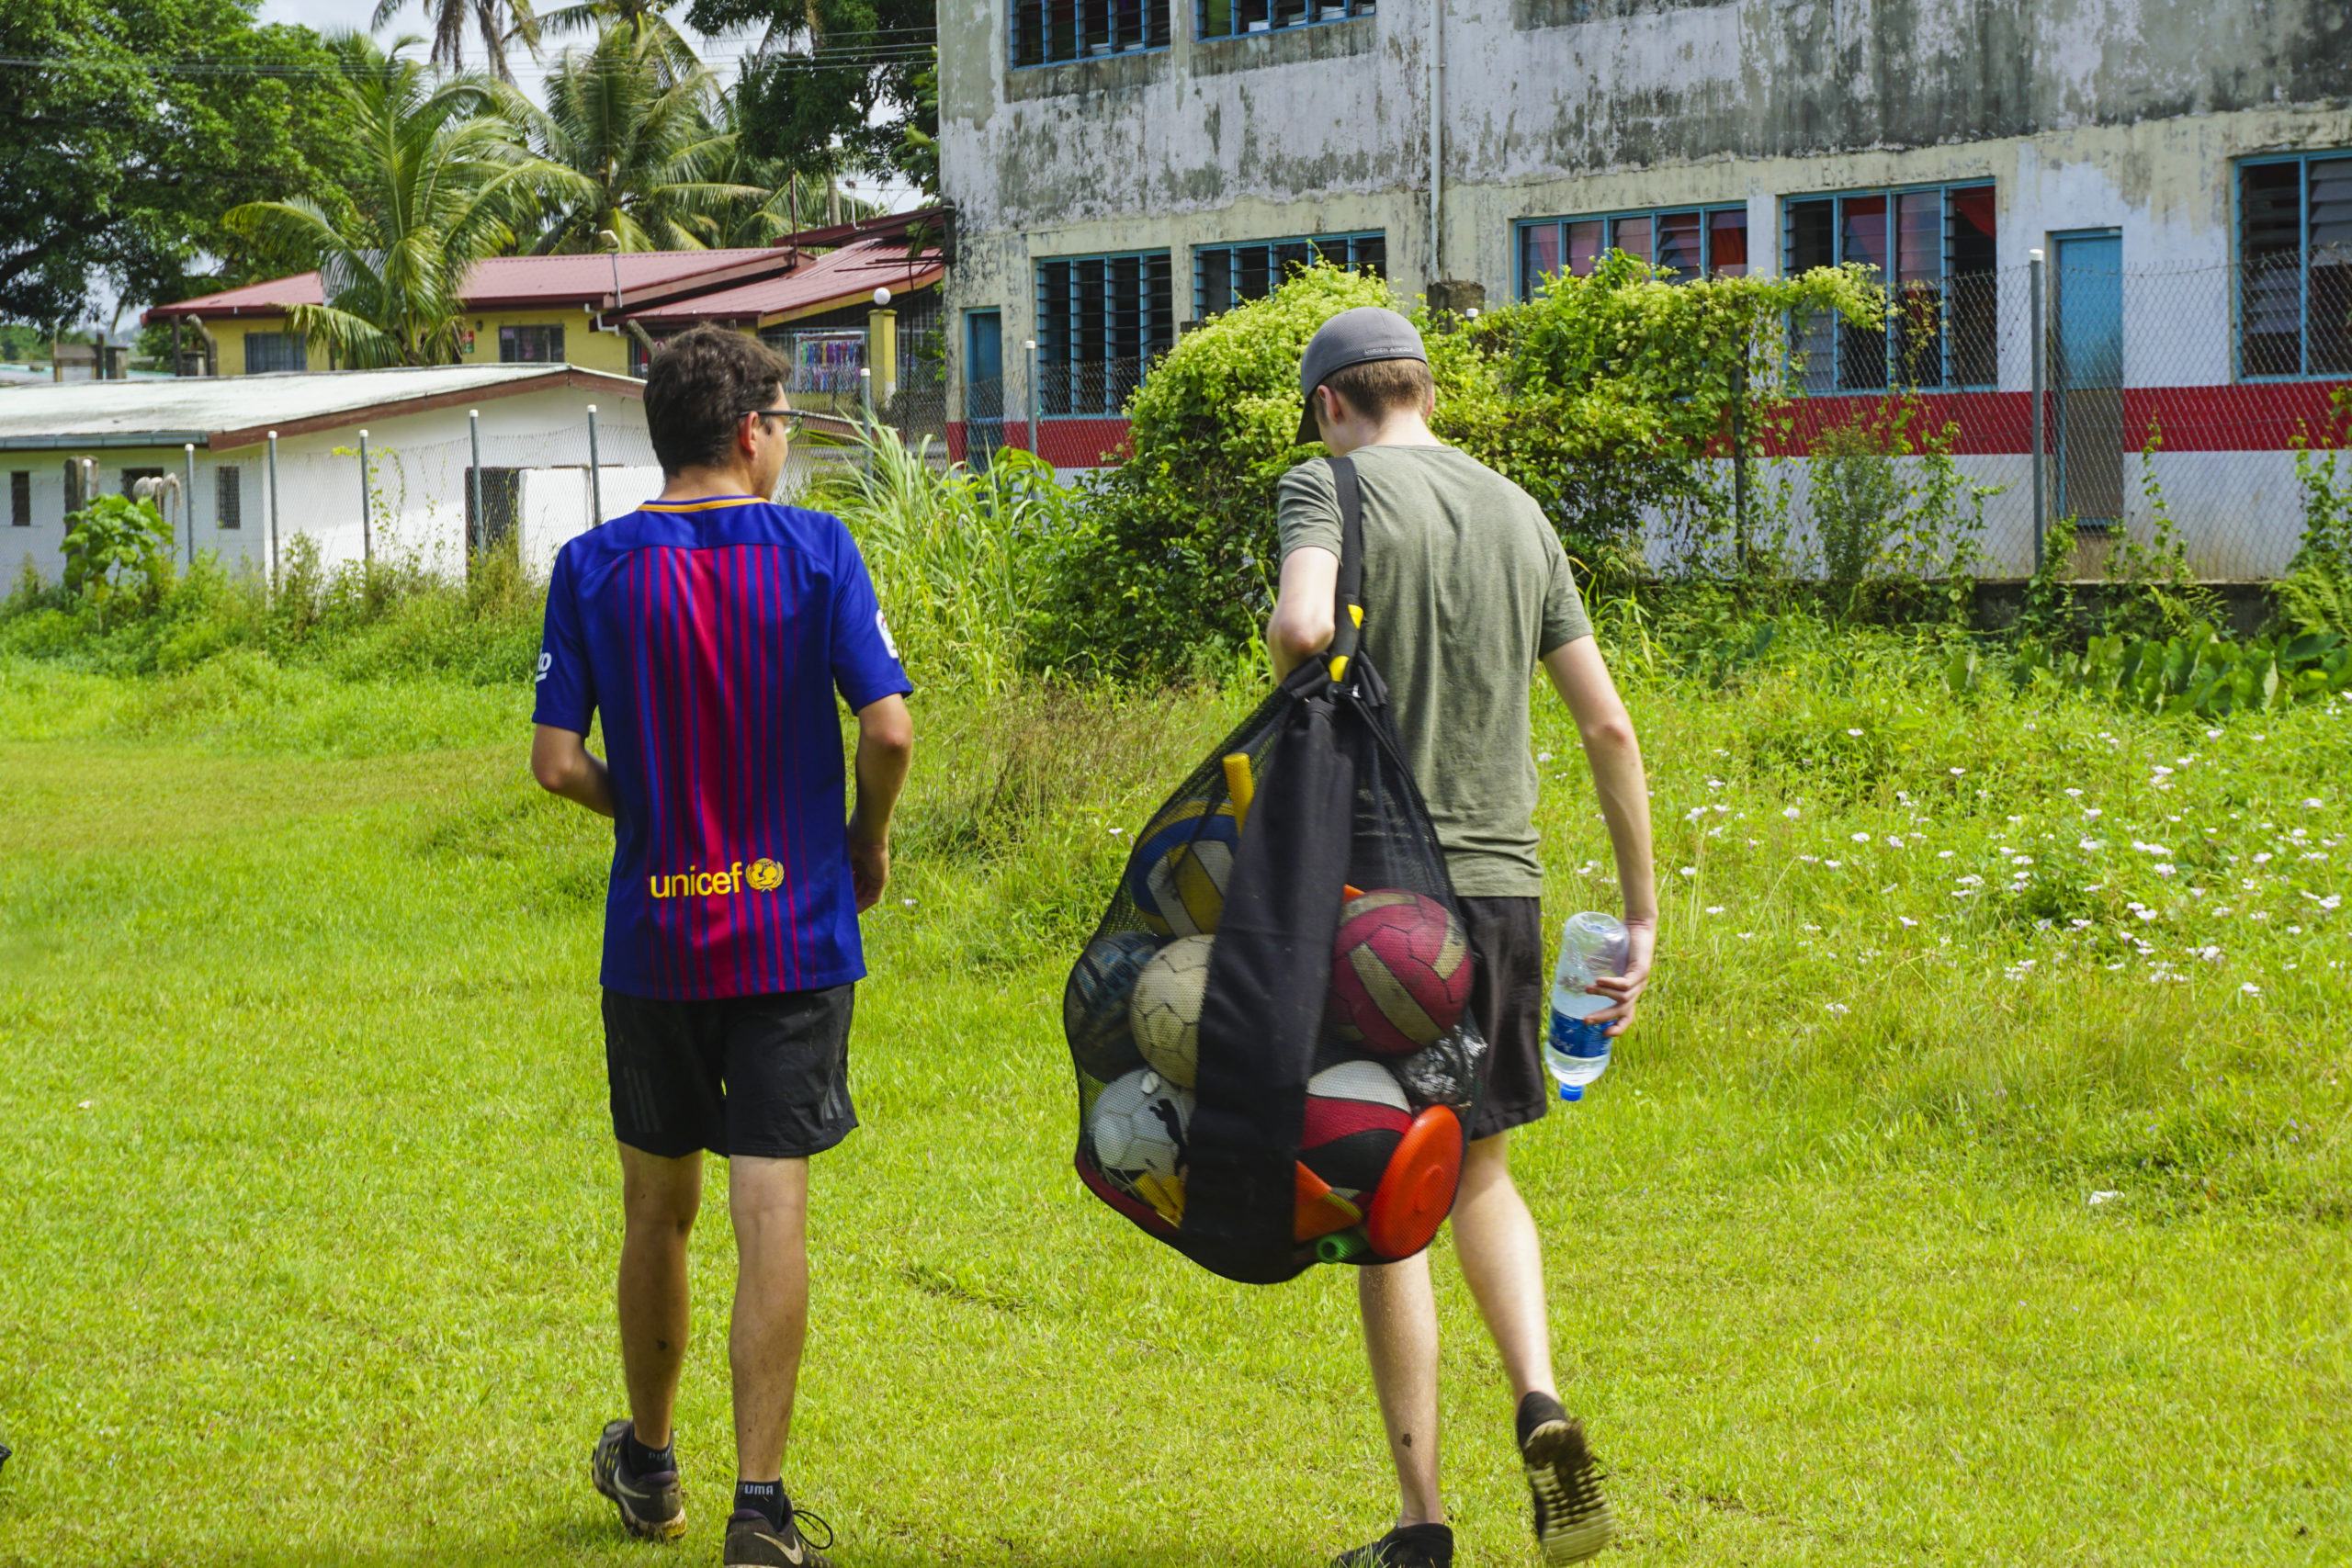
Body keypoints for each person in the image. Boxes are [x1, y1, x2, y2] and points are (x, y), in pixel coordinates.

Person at [1266, 307, 1658, 1568]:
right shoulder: (1517, 512)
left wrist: (1302, 672)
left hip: (1375, 901)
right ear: (1424, 391)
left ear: (1333, 404)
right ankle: (1539, 1391)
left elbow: (1302, 629)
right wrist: (1642, 914)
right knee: (1481, 1165)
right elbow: (1607, 729)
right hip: (1500, 892)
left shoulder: (1326, 485)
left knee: (1392, 1197)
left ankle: (1422, 1527)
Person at [529, 323, 913, 1568]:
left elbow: (553, 763)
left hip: (657, 940)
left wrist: (641, 810)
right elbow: (892, 730)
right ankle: (762, 1511)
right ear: (753, 431)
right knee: (772, 1208)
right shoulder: (819, 551)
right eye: (788, 424)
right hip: (795, 934)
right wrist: (863, 843)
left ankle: (649, 1464)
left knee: (659, 1212)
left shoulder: (590, 566)